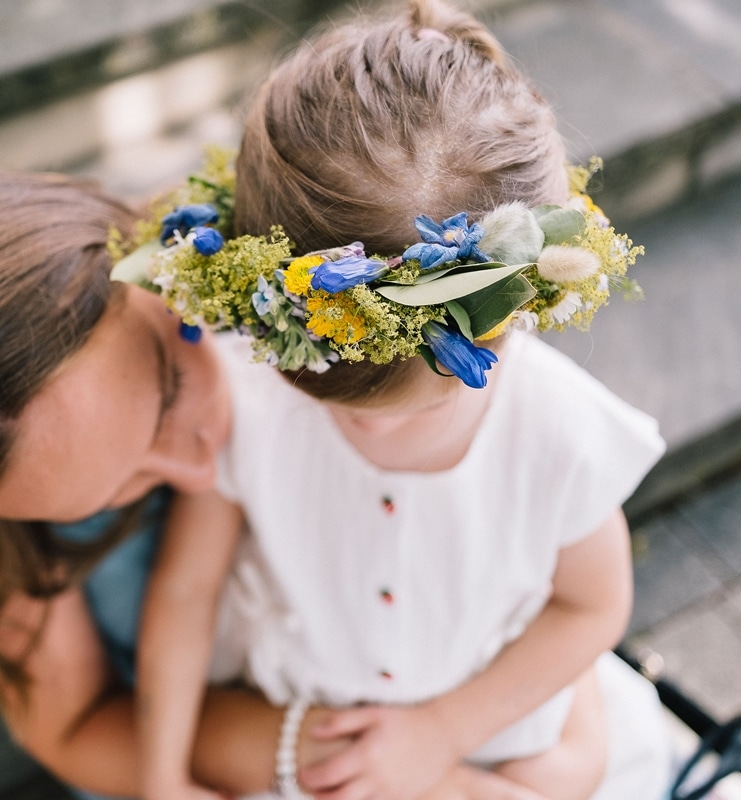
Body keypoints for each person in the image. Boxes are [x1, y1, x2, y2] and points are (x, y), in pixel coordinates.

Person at [132, 1, 672, 799]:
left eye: (415, 408)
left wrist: (446, 733)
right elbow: (186, 588)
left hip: (484, 736)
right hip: (292, 731)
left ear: (502, 325)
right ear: (275, 322)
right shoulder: (245, 395)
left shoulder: (558, 432)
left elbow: (592, 608)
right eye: (332, 405)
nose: (353, 425)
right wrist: (161, 778)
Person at [0, 175, 619, 800]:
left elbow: (556, 582)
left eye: (168, 392)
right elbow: (80, 720)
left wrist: (545, 740)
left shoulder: (292, 291)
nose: (198, 473)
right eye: (116, 490)